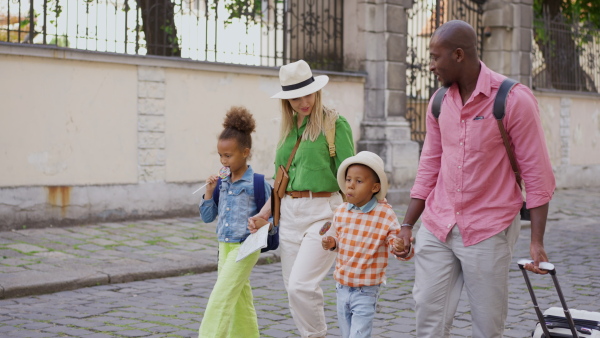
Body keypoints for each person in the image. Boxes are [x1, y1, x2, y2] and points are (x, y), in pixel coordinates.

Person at [394, 20, 556, 338]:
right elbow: (429, 164)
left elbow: (537, 173)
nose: (430, 66)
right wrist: (408, 224)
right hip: (438, 224)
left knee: (487, 324)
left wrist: (536, 241)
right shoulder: (439, 102)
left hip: (489, 228)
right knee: (428, 315)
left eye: (435, 57)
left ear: (458, 55)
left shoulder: (513, 100)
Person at [248, 59, 355, 338]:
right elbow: (279, 181)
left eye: (307, 93)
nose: (303, 101)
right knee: (293, 289)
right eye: (294, 97)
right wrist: (264, 214)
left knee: (301, 285)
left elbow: (352, 175)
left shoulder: (335, 124)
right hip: (290, 215)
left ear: (316, 90)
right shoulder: (287, 128)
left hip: (324, 211)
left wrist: (362, 216)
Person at [321, 151, 414, 338]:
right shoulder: (341, 211)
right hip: (341, 286)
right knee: (346, 333)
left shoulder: (384, 214)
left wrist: (400, 246)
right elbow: (340, 241)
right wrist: (332, 243)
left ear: (375, 187)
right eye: (348, 180)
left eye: (359, 181)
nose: (351, 185)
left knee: (358, 335)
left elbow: (396, 244)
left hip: (366, 290)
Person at [198, 106, 272, 338]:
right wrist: (209, 192)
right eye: (220, 155)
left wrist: (262, 223)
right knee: (240, 300)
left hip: (245, 247)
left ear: (245, 152)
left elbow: (274, 216)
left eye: (228, 155)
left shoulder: (258, 184)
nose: (223, 160)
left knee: (220, 297)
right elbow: (208, 217)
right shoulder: (222, 183)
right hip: (224, 246)